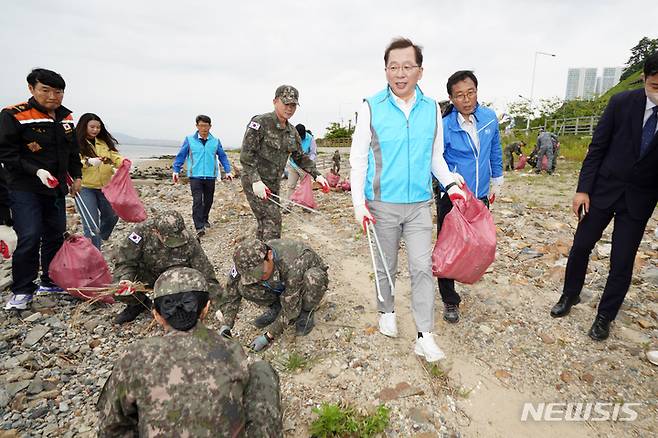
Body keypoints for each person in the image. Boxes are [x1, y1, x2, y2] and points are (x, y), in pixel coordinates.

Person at [349, 37, 464, 362]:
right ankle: (386, 309)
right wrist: (359, 205)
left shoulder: (432, 110)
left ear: (420, 71)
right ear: (386, 70)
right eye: (393, 67)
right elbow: (358, 160)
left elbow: (436, 157)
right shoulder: (370, 107)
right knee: (386, 267)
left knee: (422, 269)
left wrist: (451, 185)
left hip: (418, 207)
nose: (400, 73)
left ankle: (424, 335)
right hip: (381, 205)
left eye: (407, 67)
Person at [97, 267, 282, 437]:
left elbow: (111, 427)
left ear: (157, 315)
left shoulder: (133, 356)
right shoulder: (232, 349)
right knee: (261, 370)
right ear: (206, 308)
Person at [550, 52, 658, 341]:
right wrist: (583, 189)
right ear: (646, 79)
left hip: (639, 200)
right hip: (602, 191)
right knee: (581, 245)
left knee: (622, 261)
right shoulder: (622, 103)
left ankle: (605, 317)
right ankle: (569, 295)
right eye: (656, 86)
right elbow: (597, 147)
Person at [0, 68, 82, 310]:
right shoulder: (13, 115)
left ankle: (50, 279)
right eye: (45, 90)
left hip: (55, 187)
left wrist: (76, 176)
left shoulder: (65, 117)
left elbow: (72, 151)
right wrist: (36, 171)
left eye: (58, 92)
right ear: (31, 89)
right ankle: (22, 290)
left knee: (55, 234)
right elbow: (6, 153)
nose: (52, 96)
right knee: (30, 235)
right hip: (24, 187)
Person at [435, 70, 504, 323]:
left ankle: (467, 274)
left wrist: (497, 178)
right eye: (459, 95)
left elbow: (495, 149)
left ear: (477, 91)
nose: (466, 99)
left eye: (470, 92)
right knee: (448, 247)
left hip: (480, 194)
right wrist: (450, 178)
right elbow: (435, 158)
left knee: (479, 243)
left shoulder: (488, 118)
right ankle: (449, 299)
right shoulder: (444, 126)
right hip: (453, 197)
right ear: (451, 99)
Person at [240, 85, 329, 240]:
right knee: (273, 221)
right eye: (286, 103)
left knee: (265, 223)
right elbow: (246, 155)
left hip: (273, 185)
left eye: (293, 105)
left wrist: (317, 175)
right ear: (275, 101)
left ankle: (260, 257)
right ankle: (270, 257)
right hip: (255, 183)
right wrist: (256, 180)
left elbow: (299, 157)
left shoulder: (292, 132)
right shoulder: (260, 123)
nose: (289, 108)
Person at [112, 210, 221, 324]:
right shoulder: (141, 233)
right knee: (117, 288)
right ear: (156, 232)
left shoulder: (188, 239)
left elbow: (206, 271)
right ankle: (139, 304)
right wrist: (126, 279)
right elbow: (125, 261)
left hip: (175, 280)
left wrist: (218, 302)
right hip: (148, 275)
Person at [220, 238, 328, 352]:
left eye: (261, 272)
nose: (259, 278)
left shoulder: (294, 263)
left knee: (314, 278)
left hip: (303, 282)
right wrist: (226, 325)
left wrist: (268, 336)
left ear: (270, 255)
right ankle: (276, 307)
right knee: (243, 287)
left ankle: (306, 312)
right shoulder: (244, 263)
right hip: (283, 284)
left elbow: (290, 308)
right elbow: (231, 292)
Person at [172, 115, 232, 237]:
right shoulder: (189, 140)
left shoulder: (215, 141)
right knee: (197, 200)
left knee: (208, 200)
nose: (204, 128)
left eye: (206, 125)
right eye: (201, 125)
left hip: (210, 176)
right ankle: (199, 226)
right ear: (197, 126)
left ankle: (204, 219)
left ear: (210, 126)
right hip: (195, 176)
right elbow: (181, 155)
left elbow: (222, 156)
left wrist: (228, 170)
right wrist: (176, 170)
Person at [76, 113, 124, 250]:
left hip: (106, 187)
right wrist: (88, 162)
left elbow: (114, 156)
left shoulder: (103, 143)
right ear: (84, 126)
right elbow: (71, 162)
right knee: (91, 224)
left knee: (113, 216)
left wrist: (123, 162)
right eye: (92, 127)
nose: (95, 130)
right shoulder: (75, 143)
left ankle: (101, 237)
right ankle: (94, 252)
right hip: (85, 188)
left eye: (98, 127)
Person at [286, 123, 317, 198]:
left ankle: (305, 206)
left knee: (305, 187)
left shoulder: (310, 139)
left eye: (301, 136)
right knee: (291, 186)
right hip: (293, 165)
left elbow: (313, 153)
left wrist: (309, 162)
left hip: (305, 167)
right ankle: (288, 205)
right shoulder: (291, 137)